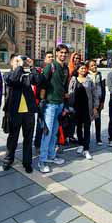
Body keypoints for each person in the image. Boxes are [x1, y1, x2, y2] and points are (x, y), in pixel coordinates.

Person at [3, 56, 43, 173]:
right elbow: (13, 79)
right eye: (15, 61)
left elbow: (38, 81)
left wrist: (32, 66)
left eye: (19, 61)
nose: (19, 63)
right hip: (15, 113)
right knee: (12, 138)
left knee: (28, 138)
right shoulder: (8, 75)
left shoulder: (26, 75)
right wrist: (19, 66)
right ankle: (8, 160)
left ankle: (27, 162)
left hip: (28, 112)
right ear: (11, 63)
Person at [38, 44, 69, 173]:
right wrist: (42, 101)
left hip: (60, 104)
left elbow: (64, 86)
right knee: (48, 132)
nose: (63, 55)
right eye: (61, 52)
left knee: (55, 132)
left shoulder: (66, 68)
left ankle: (51, 156)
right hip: (50, 104)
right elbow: (42, 83)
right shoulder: (50, 66)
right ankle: (42, 160)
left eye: (65, 53)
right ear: (56, 53)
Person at [68, 63, 99, 160]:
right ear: (77, 70)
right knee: (78, 127)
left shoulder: (89, 80)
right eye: (81, 68)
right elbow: (70, 92)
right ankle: (81, 144)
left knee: (87, 128)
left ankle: (86, 148)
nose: (83, 70)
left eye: (85, 68)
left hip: (87, 108)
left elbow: (95, 94)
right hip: (76, 108)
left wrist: (95, 107)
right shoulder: (73, 80)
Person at [33, 52, 54, 151]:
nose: (51, 58)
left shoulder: (53, 68)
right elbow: (40, 83)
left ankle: (47, 142)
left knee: (49, 122)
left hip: (51, 99)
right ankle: (37, 144)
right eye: (49, 57)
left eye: (52, 56)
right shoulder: (42, 69)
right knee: (41, 122)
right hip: (42, 100)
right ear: (45, 59)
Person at [87, 59, 105, 145]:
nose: (94, 67)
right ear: (88, 67)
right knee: (88, 121)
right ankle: (87, 138)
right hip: (88, 102)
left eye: (95, 65)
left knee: (98, 120)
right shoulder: (86, 75)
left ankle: (98, 138)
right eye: (92, 65)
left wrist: (102, 102)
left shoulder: (100, 75)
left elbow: (103, 89)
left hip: (98, 101)